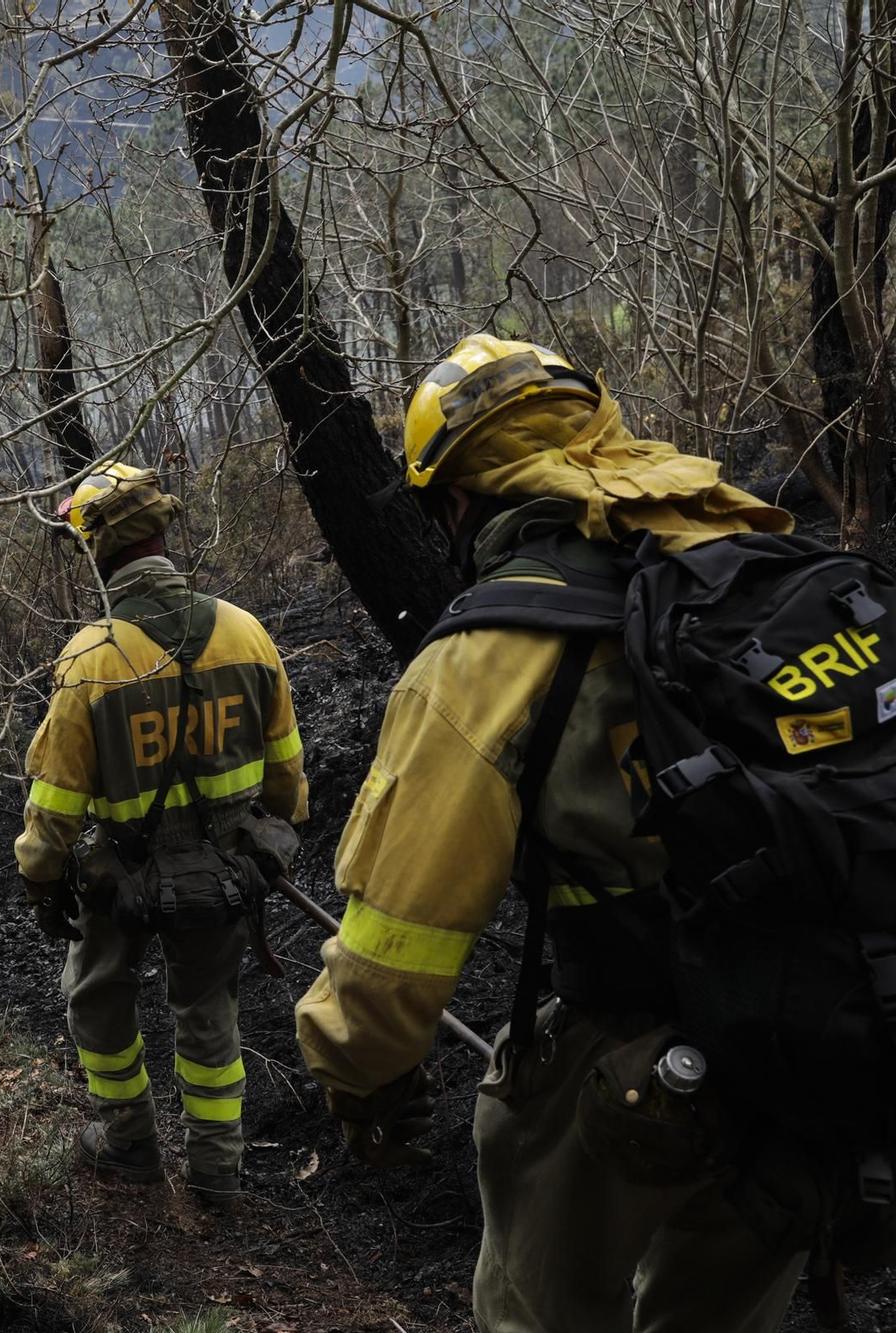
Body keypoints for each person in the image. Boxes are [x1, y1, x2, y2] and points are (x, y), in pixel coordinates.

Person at [293, 334, 805, 1330]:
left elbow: (391, 954)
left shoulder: (486, 656)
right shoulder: (756, 561)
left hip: (626, 1056)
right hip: (817, 1028)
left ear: (455, 501)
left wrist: (361, 1082)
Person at [15, 462, 307, 1211]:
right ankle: (217, 1170)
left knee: (96, 996)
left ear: (96, 550)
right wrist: (269, 841)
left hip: (121, 871)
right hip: (226, 871)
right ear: (160, 534)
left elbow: (56, 800)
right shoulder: (245, 632)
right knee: (209, 1013)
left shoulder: (91, 658)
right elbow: (286, 775)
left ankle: (130, 1144)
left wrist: (42, 878)